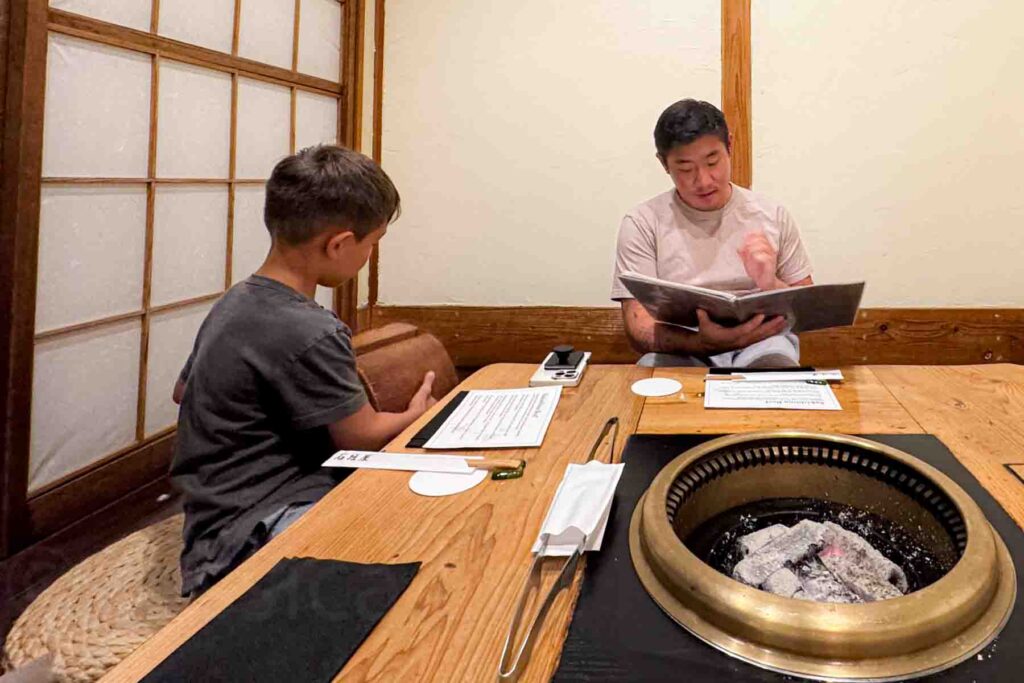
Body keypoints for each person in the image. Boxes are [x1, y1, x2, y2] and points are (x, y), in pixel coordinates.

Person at [170, 145, 436, 597]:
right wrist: (424, 410)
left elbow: (183, 392)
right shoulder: (309, 327)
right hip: (256, 525)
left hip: (212, 516)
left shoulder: (237, 300)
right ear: (339, 244)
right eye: (372, 244)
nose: (369, 256)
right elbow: (364, 436)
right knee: (426, 549)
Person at [611, 99, 814, 367]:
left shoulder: (772, 215)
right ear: (664, 163)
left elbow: (811, 312)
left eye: (712, 161)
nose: (704, 180)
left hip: (763, 343)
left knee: (777, 369)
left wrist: (771, 285)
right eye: (685, 168)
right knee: (653, 375)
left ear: (729, 145)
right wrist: (703, 342)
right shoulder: (642, 223)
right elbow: (638, 328)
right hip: (682, 348)